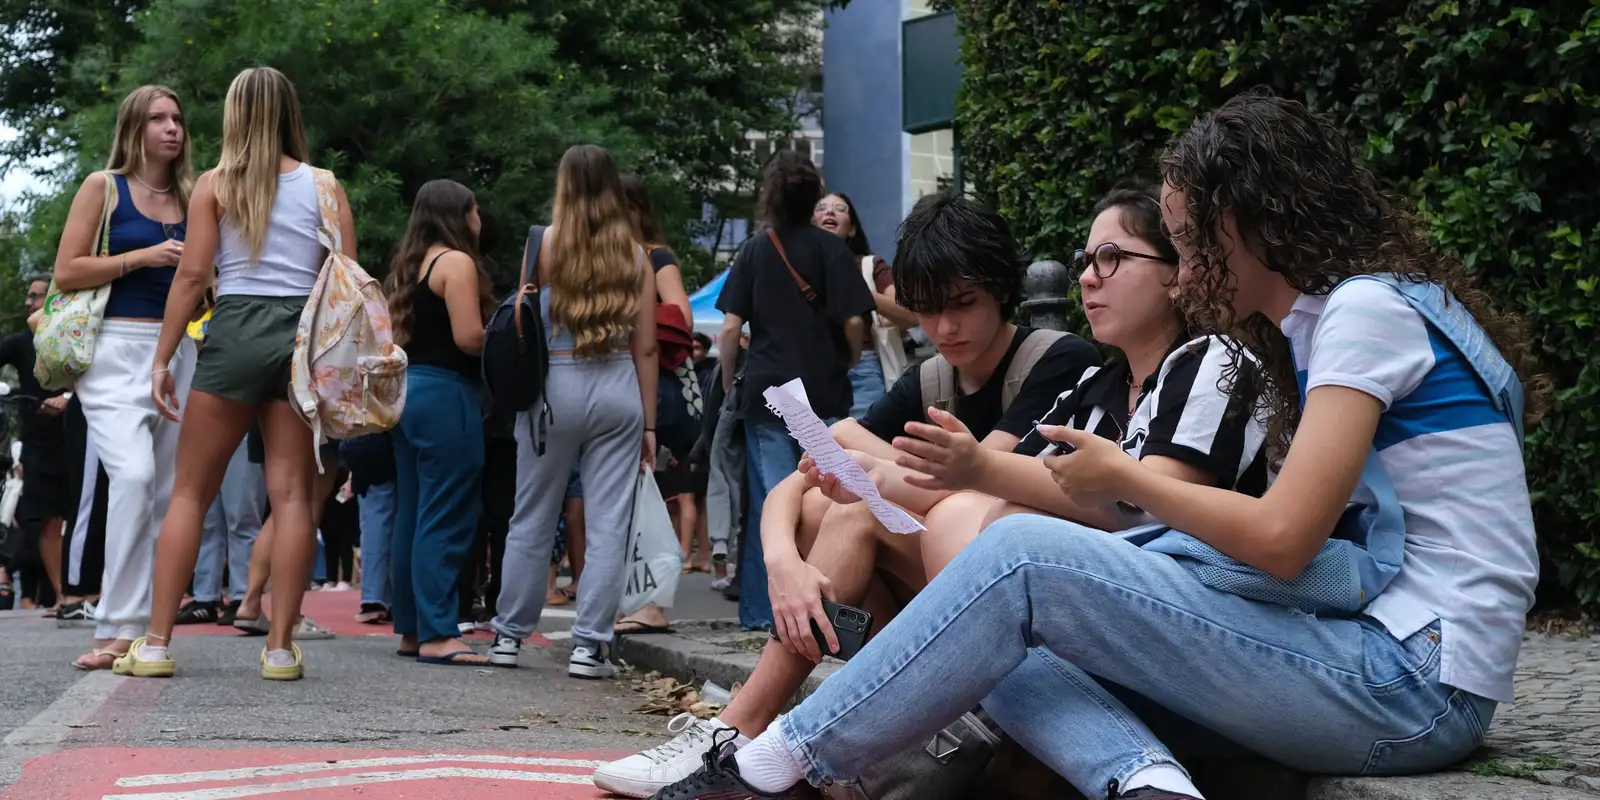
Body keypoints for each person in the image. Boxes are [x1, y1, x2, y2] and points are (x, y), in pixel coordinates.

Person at [648, 91, 1546, 800]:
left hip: (1412, 681)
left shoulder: (1362, 314)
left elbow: (1283, 538)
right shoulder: (1339, 317)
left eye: (1189, 244)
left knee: (1017, 558)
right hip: (1386, 655)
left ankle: (772, 761)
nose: (1188, 273)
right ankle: (1141, 780)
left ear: (1246, 223)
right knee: (999, 623)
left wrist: (1128, 480)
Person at [593, 192, 1103, 797]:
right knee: (819, 502)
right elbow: (794, 486)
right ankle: (788, 736)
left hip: (1032, 611)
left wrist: (857, 451)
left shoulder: (1056, 360)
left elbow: (972, 481)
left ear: (1000, 289)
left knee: (856, 510)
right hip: (953, 604)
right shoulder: (931, 379)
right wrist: (782, 565)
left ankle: (737, 730)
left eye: (963, 304)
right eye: (927, 310)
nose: (945, 328)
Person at [116, 66, 355, 681]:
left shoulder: (216, 185)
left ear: (234, 114)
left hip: (235, 330)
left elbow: (192, 278)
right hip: (300, 339)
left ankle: (156, 645)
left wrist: (163, 358)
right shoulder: (325, 185)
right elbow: (346, 280)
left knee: (191, 493)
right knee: (292, 495)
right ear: (289, 113)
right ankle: (279, 650)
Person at [488, 144, 659, 679]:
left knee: (531, 515)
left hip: (554, 387)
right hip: (618, 386)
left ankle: (508, 636)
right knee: (609, 523)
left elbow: (524, 320)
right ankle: (589, 647)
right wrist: (650, 423)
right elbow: (647, 348)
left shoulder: (542, 244)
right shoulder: (637, 256)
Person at [50, 85, 196, 671]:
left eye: (177, 119)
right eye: (158, 118)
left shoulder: (194, 194)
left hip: (178, 349)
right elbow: (67, 271)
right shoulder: (103, 186)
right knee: (133, 478)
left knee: (165, 494)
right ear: (134, 128)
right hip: (114, 348)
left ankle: (145, 630)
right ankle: (114, 625)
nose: (172, 128)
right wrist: (143, 257)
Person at [715, 151, 875, 630]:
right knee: (827, 497)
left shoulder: (754, 249)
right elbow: (855, 321)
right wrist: (847, 360)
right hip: (822, 391)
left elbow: (730, 329)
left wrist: (729, 381)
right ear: (812, 198)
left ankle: (761, 614)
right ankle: (824, 606)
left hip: (767, 393)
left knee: (773, 504)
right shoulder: (832, 250)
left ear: (771, 197)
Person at [383, 178, 493, 666]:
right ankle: (438, 631)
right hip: (448, 394)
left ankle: (412, 627)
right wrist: (507, 335)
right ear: (459, 214)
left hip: (408, 392)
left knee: (412, 512)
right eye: (474, 210)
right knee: (446, 512)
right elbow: (469, 337)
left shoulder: (411, 266)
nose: (479, 219)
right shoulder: (457, 262)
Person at [616, 174, 695, 635]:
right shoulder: (606, 255)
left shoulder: (654, 256)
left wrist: (632, 317)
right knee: (625, 499)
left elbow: (680, 314)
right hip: (620, 386)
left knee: (652, 496)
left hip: (649, 388)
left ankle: (653, 605)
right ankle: (633, 600)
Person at [0, 276, 70, 613]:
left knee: (84, 514)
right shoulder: (20, 342)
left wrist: (68, 399)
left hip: (77, 435)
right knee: (46, 519)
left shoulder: (75, 332)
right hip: (38, 444)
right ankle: (63, 596)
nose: (28, 302)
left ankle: (92, 591)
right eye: (28, 296)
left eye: (35, 296)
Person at [813, 192, 917, 419]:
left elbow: (910, 314)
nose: (829, 211)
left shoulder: (870, 265)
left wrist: (861, 292)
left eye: (840, 208)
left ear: (852, 229)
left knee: (861, 439)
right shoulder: (794, 266)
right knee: (815, 444)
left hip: (862, 371)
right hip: (810, 370)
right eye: (821, 208)